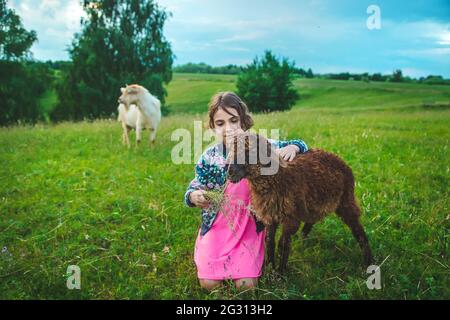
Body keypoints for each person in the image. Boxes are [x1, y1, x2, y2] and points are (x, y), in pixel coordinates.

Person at [184, 92, 308, 291]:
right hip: (219, 225)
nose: (229, 128)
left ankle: (248, 263)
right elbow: (196, 185)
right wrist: (192, 196)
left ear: (243, 121)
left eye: (234, 120)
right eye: (220, 123)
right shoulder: (209, 157)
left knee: (246, 286)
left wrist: (295, 146)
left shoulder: (258, 146)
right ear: (213, 127)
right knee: (209, 284)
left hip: (248, 225)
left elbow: (299, 144)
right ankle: (210, 257)